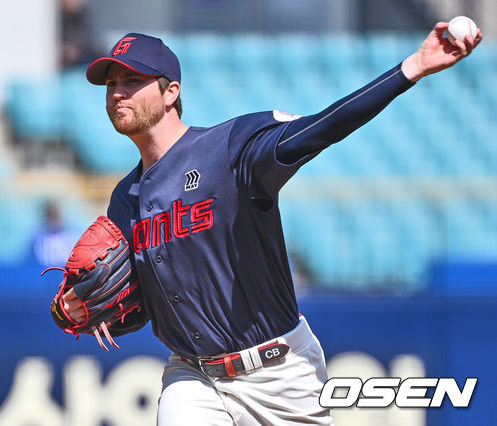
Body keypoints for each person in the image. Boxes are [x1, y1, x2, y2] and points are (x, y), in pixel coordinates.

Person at [61, 23, 481, 425]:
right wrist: (81, 307)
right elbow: (141, 302)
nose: (117, 93)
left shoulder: (228, 149)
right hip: (192, 376)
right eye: (111, 83)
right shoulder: (125, 197)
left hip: (280, 370)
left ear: (171, 92)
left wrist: (413, 67)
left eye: (132, 81)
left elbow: (324, 127)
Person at [30, 200, 77, 266]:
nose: (52, 222)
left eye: (54, 217)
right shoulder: (38, 239)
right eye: (50, 217)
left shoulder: (70, 237)